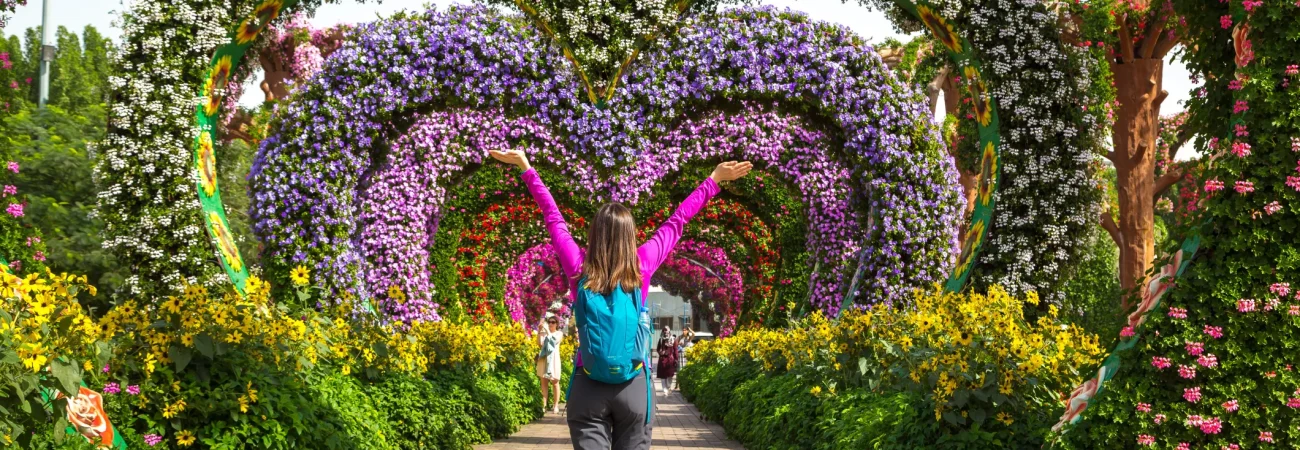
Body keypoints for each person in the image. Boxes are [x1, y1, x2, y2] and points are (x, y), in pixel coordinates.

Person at [489, 149, 751, 450]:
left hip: (588, 384)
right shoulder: (643, 263)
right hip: (633, 384)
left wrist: (526, 167)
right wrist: (714, 179)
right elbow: (677, 221)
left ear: (594, 234)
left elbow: (554, 220)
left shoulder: (579, 268)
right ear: (631, 234)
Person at [538, 316, 564, 414]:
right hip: (544, 359)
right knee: (543, 382)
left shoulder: (559, 333)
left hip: (553, 360)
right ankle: (543, 405)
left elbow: (553, 342)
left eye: (553, 322)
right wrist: (540, 331)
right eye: (549, 322)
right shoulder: (544, 333)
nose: (550, 324)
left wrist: (546, 332)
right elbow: (540, 344)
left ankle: (556, 405)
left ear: (557, 324)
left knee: (555, 382)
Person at [655, 327, 678, 395]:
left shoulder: (673, 340)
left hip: (670, 360)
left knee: (669, 375)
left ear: (669, 331)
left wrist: (676, 359)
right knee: (662, 376)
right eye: (664, 330)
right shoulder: (661, 339)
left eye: (666, 330)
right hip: (662, 360)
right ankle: (664, 390)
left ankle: (668, 387)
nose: (665, 332)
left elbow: (675, 350)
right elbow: (658, 348)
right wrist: (660, 352)